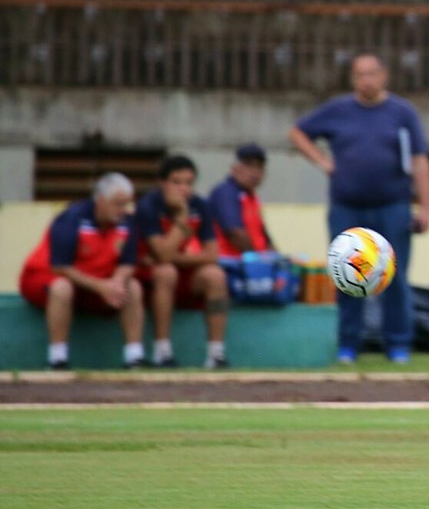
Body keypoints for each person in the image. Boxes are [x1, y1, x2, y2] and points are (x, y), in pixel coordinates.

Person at [288, 53, 429, 364]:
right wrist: (324, 163)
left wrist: (425, 207)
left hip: (393, 207)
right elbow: (297, 133)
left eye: (371, 74)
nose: (365, 80)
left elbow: (420, 160)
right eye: (359, 75)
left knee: (394, 278)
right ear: (353, 79)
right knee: (346, 276)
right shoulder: (337, 110)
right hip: (347, 210)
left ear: (384, 75)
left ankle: (398, 346)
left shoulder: (402, 113)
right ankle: (347, 346)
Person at [19, 172, 148, 369]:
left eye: (126, 204)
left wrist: (115, 282)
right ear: (101, 200)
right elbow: (60, 267)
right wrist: (101, 287)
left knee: (133, 287)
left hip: (97, 284)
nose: (123, 210)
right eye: (118, 204)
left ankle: (134, 357)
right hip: (48, 279)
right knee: (62, 287)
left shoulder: (127, 223)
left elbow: (128, 262)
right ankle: (58, 358)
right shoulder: (71, 218)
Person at [135, 154, 229, 368]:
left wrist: (177, 258)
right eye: (176, 182)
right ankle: (162, 351)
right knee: (166, 272)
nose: (183, 189)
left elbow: (212, 255)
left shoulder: (201, 205)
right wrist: (181, 219)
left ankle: (216, 354)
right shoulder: (149, 206)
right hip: (146, 277)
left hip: (177, 271)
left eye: (189, 183)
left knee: (215, 275)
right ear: (162, 183)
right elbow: (163, 255)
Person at [208, 143, 276, 257]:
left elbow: (264, 237)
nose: (255, 173)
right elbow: (235, 233)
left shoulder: (251, 197)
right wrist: (260, 258)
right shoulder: (226, 193)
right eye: (249, 165)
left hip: (251, 262)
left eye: (259, 167)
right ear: (234, 168)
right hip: (230, 263)